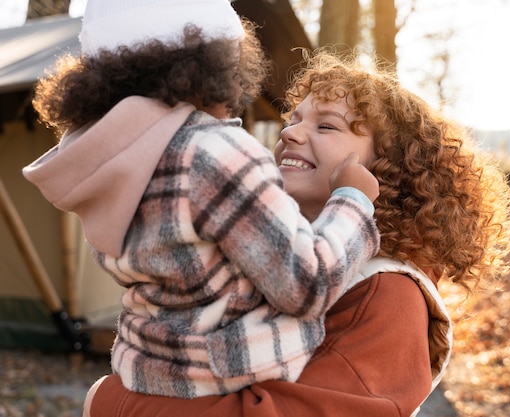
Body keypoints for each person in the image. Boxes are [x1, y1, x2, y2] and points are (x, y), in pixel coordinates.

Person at [82, 50, 510, 417]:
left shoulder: (385, 293)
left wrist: (112, 402)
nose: (290, 131)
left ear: (391, 168)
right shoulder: (274, 254)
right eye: (294, 119)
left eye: (326, 126)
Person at [22, 0, 382, 399]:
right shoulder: (213, 151)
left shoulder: (109, 161)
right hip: (236, 371)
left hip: (148, 374)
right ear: (217, 61)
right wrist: (352, 199)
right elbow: (307, 284)